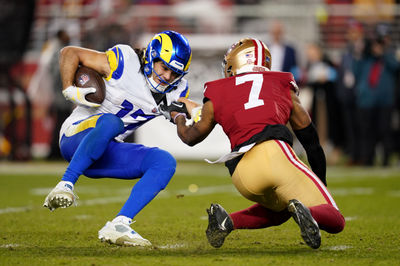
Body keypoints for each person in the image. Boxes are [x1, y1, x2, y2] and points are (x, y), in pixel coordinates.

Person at [161, 38, 345, 249]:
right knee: (335, 219)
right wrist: (320, 184)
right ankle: (308, 212)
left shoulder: (217, 90)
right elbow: (310, 141)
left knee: (283, 208)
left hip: (243, 174)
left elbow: (190, 137)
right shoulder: (281, 82)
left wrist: (177, 116)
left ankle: (228, 221)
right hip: (276, 155)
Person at [43, 30, 192, 247]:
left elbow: (190, 109)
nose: (168, 77)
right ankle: (65, 184)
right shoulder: (124, 61)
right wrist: (68, 89)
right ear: (152, 57)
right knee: (112, 122)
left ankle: (120, 223)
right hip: (75, 138)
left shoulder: (176, 90)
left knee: (164, 162)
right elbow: (69, 53)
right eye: (165, 68)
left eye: (175, 73)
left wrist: (198, 114)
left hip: (105, 152)